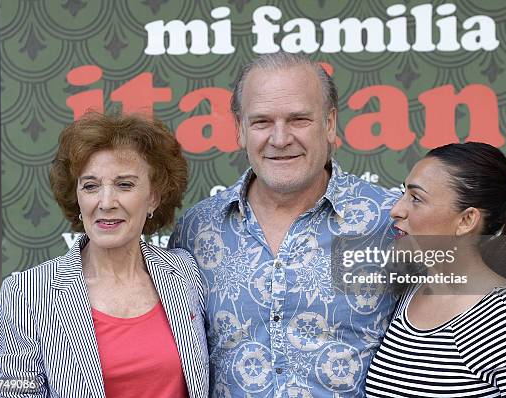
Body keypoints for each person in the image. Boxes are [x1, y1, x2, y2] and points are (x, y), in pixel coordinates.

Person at [170, 53, 400, 397]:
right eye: (262, 122)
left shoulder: (392, 220)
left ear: (330, 123)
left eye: (299, 119)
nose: (280, 139)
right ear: (240, 129)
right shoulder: (197, 229)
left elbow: (472, 317)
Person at [0, 113, 208, 398]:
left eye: (124, 184)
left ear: (154, 196)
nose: (105, 203)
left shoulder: (185, 272)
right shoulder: (27, 293)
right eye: (90, 186)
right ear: (77, 197)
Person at [365, 142, 506, 397]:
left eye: (416, 198)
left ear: (467, 220)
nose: (396, 210)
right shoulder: (408, 293)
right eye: (403, 194)